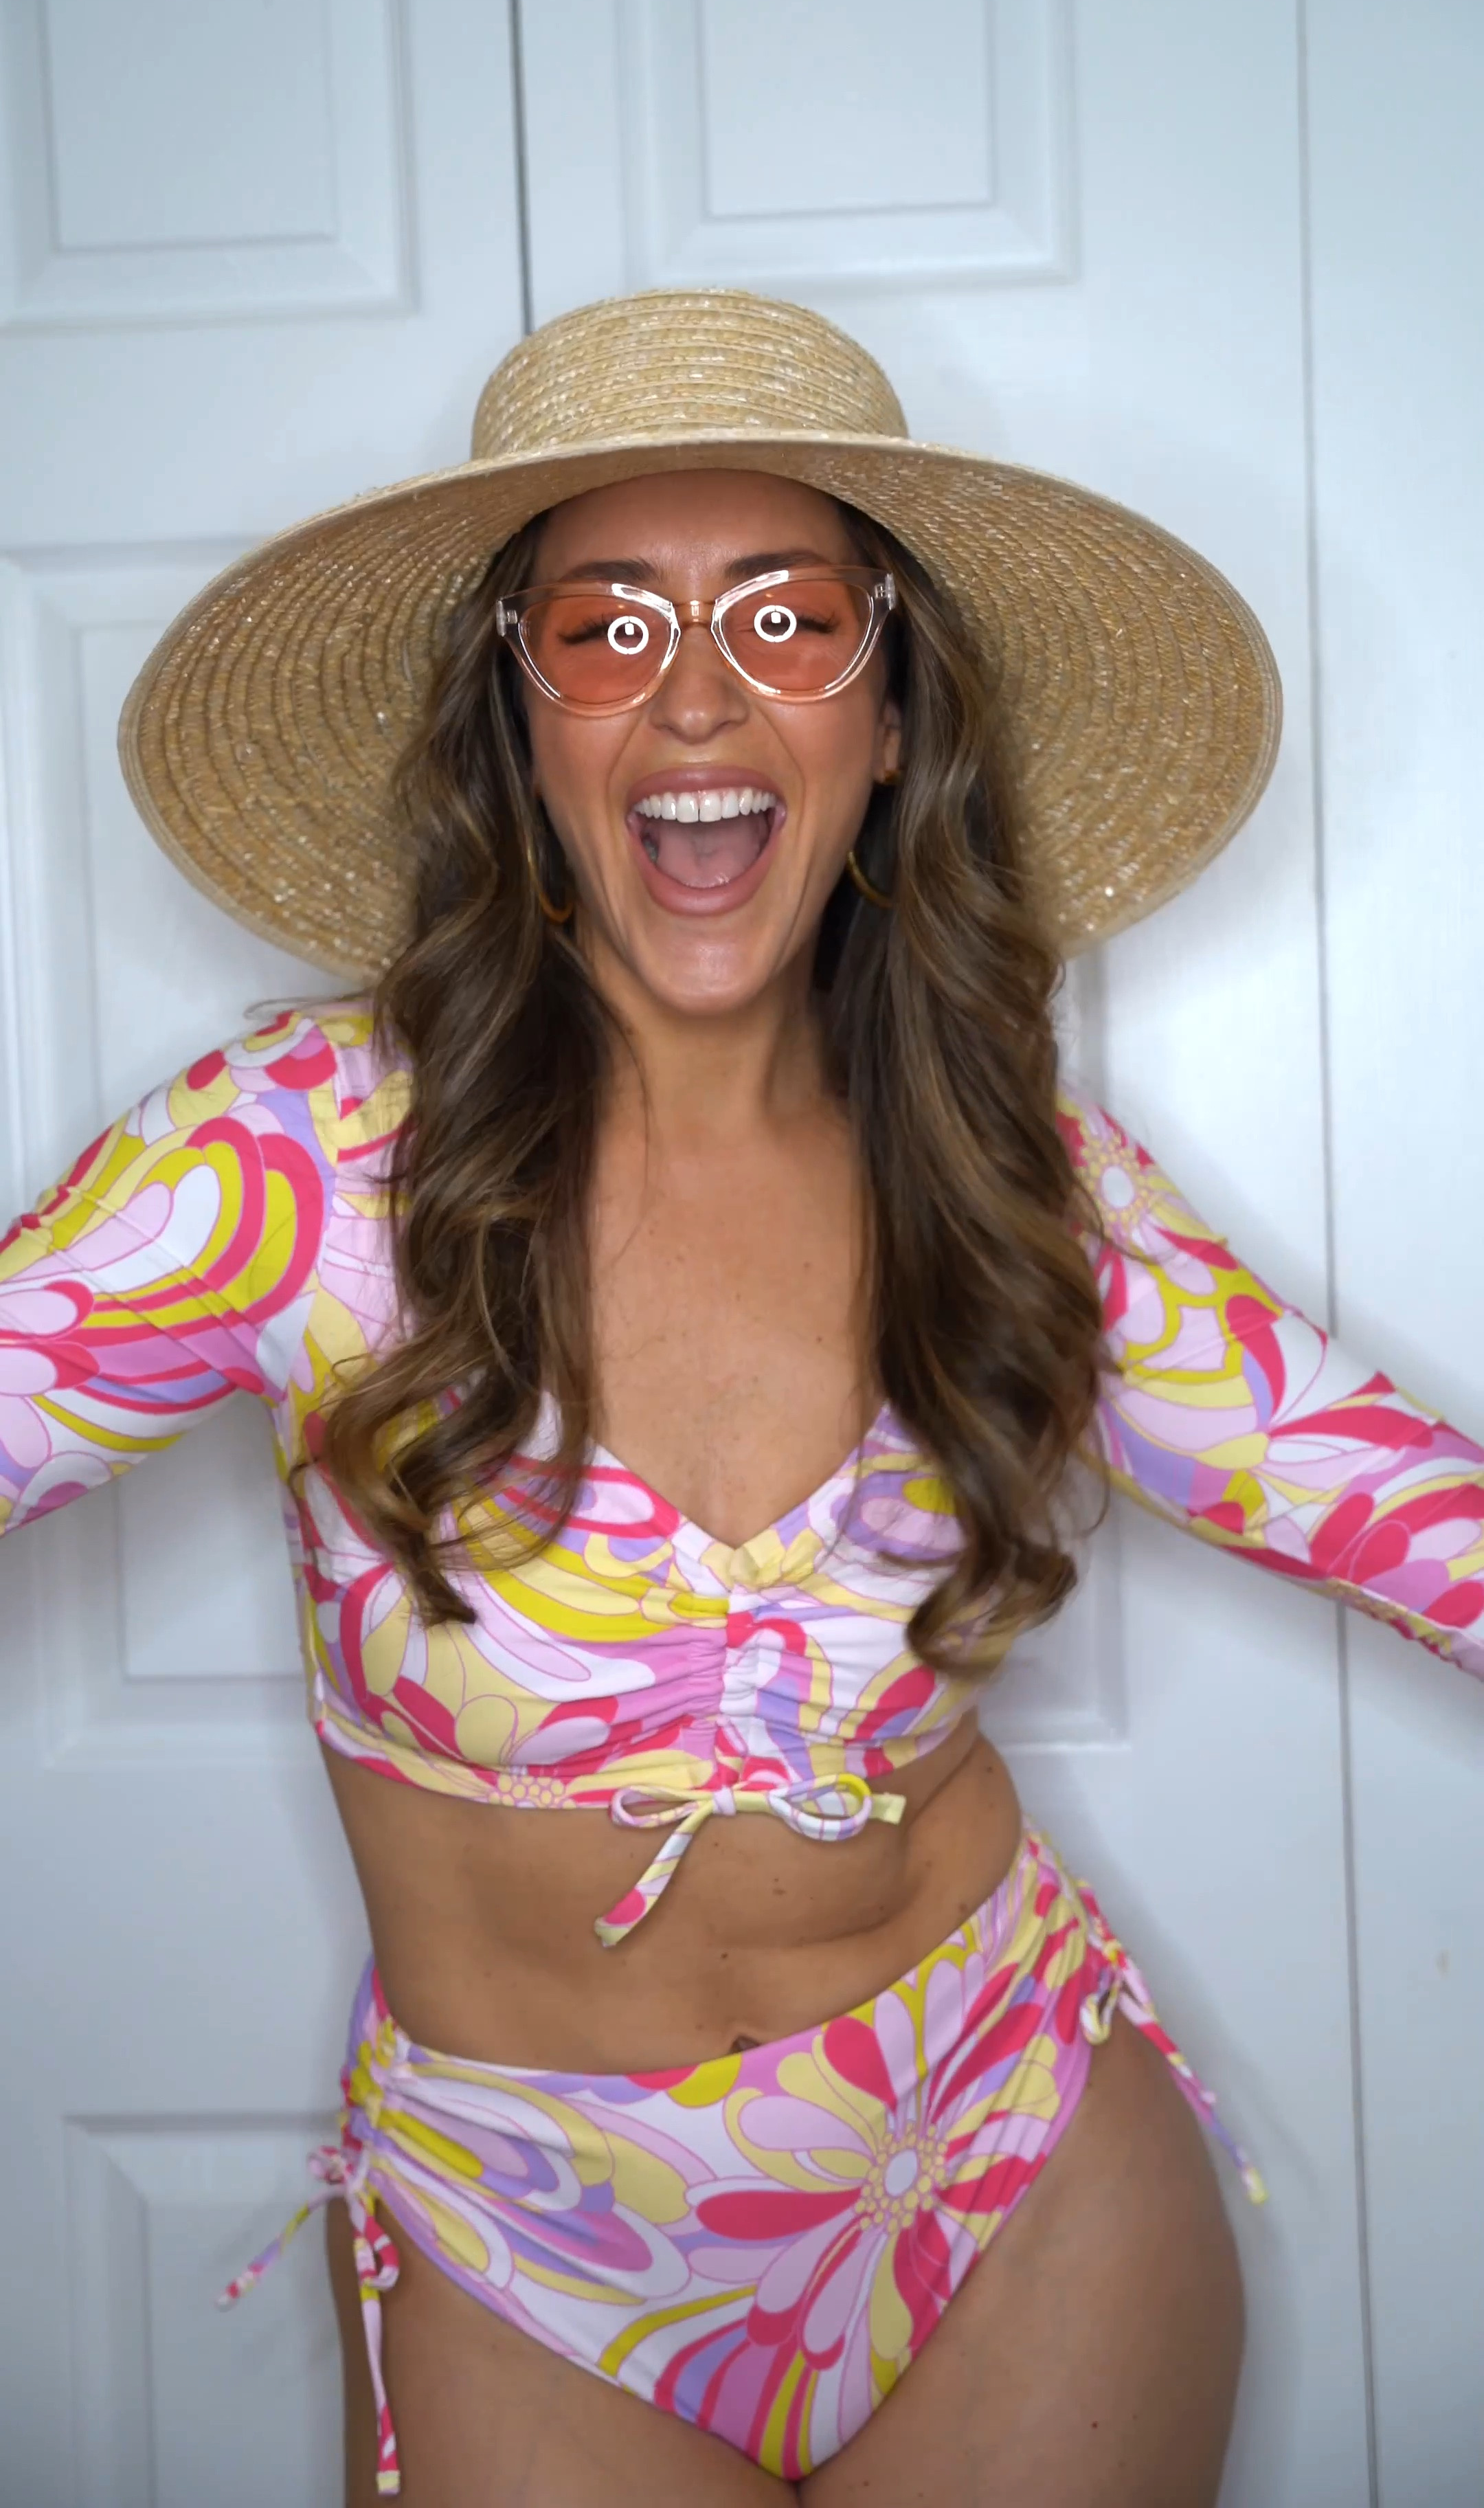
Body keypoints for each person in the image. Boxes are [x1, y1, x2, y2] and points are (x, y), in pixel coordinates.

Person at [4, 290, 1480, 2508]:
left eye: (789, 620)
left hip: (1009, 2154)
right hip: (521, 2246)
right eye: (604, 632)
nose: (697, 695)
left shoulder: (1010, 1172)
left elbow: (1413, 1517)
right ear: (519, 726)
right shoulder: (289, 1164)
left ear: (888, 718)